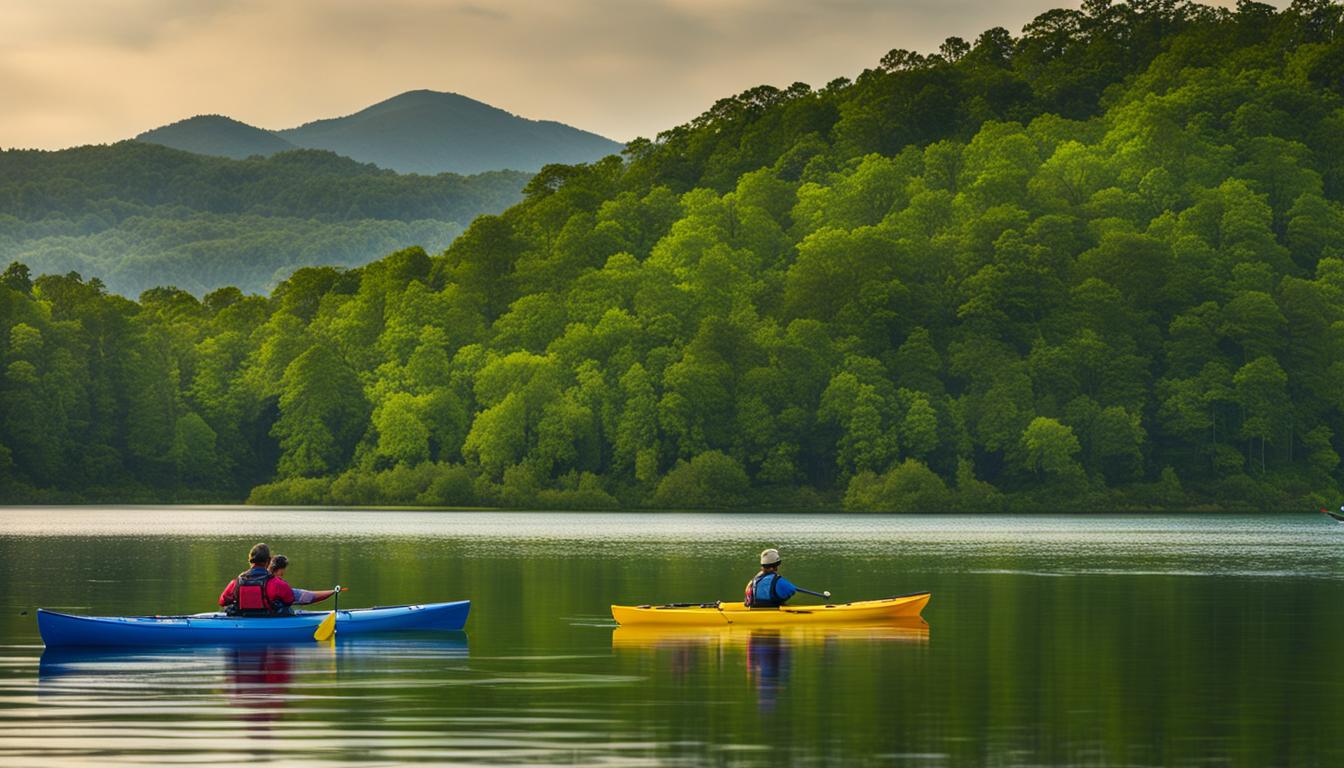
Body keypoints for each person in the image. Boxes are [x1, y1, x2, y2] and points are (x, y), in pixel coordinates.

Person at [218, 543, 294, 616]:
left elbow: (222, 602)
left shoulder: (236, 582)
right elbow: (289, 600)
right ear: (268, 560)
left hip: (244, 620)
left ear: (250, 560)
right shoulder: (278, 583)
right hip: (268, 618)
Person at [268, 555, 337, 607]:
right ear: (281, 570)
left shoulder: (262, 581)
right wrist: (333, 591)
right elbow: (309, 597)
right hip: (278, 616)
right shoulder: (281, 585)